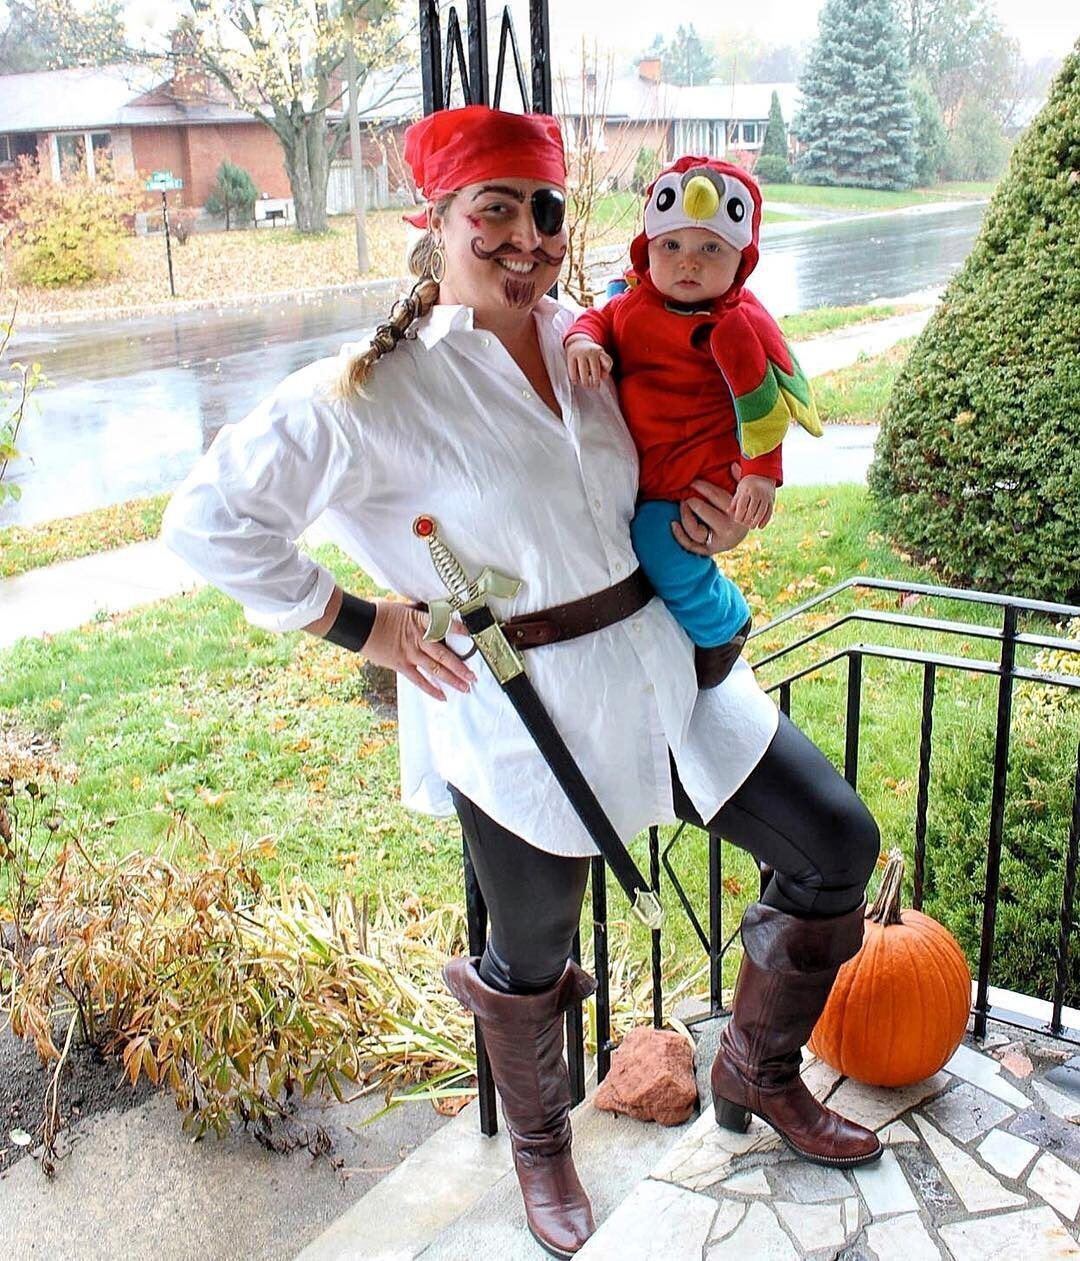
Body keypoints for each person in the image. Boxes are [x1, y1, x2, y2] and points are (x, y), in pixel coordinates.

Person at [162, 105, 882, 1260]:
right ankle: (542, 1142)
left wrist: (722, 519)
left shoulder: (593, 345)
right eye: (490, 209)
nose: (524, 235)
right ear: (434, 223)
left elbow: (670, 467)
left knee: (833, 843)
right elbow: (206, 523)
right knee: (533, 954)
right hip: (518, 702)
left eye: (545, 210)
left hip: (662, 667)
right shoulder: (366, 389)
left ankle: (759, 1067)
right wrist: (362, 621)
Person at [565, 157, 822, 688]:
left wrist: (759, 474)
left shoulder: (733, 325)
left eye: (710, 249)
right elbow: (596, 318)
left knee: (662, 545)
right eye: (671, 247)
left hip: (694, 480)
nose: (689, 264)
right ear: (648, 248)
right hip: (650, 474)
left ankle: (721, 624)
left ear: (740, 260)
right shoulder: (631, 305)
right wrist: (583, 340)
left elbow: (762, 405)